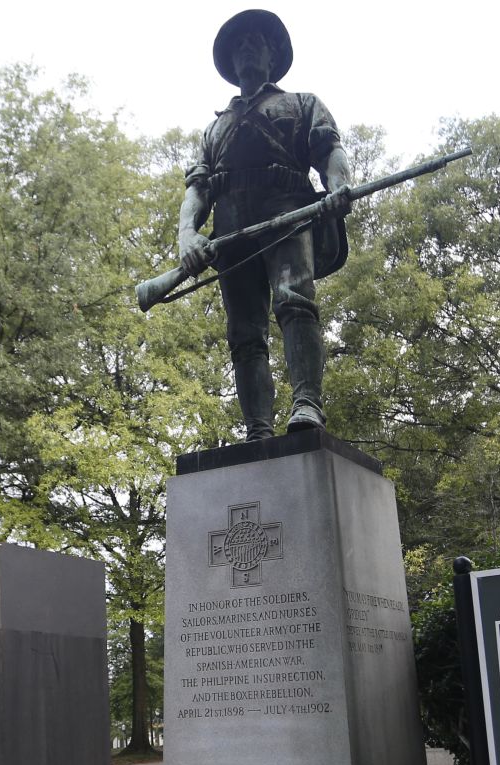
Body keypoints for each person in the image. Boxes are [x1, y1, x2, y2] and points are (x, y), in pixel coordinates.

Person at [178, 9, 353, 441]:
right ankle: (257, 426)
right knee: (243, 333)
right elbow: (198, 191)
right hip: (232, 233)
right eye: (238, 44)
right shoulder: (214, 128)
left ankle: (307, 403)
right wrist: (187, 233)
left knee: (295, 302)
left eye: (255, 40)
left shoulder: (300, 103)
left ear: (273, 54)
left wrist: (338, 186)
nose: (246, 48)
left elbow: (330, 151)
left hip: (287, 215)